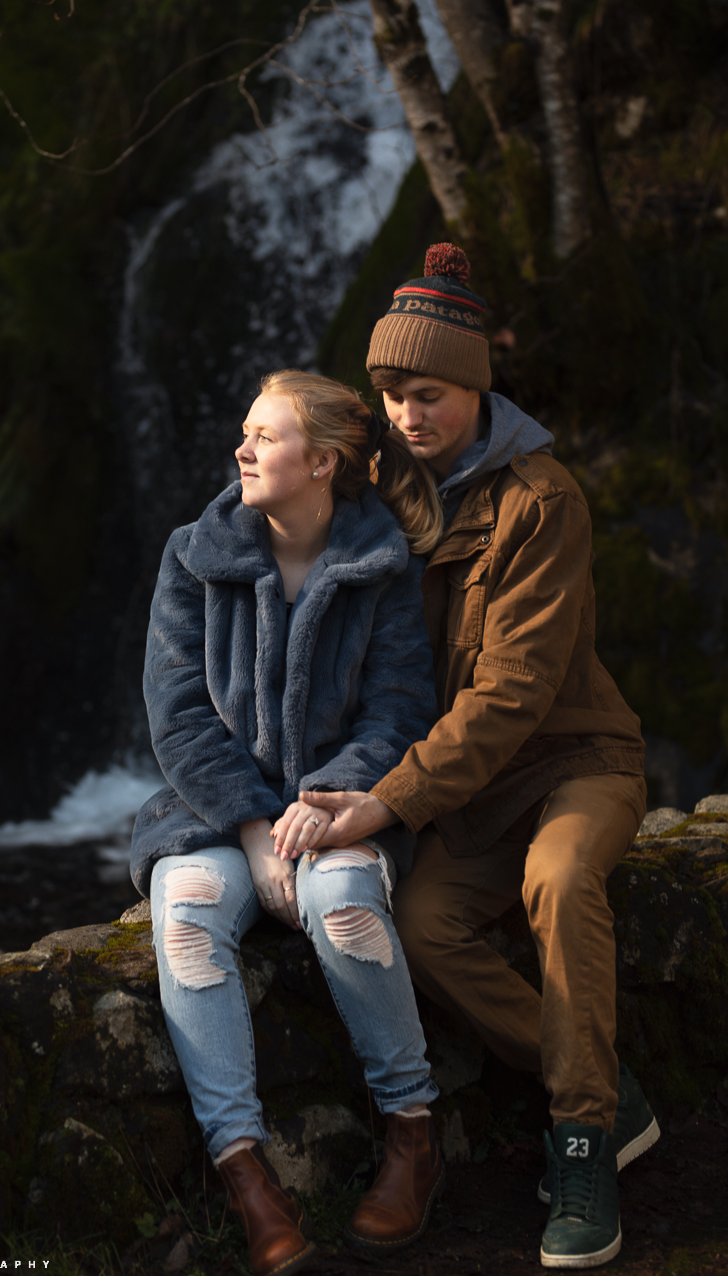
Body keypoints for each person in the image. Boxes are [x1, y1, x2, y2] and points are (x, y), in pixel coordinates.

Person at [282, 246, 659, 1270]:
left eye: (431, 394)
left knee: (563, 876)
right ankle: (613, 1094)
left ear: (476, 388)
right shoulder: (380, 486)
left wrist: (383, 804)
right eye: (395, 394)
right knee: (422, 921)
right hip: (476, 789)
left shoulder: (544, 501)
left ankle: (579, 1141)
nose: (409, 414)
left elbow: (511, 697)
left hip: (575, 759)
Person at [130, 370, 448, 1276]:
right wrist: (250, 831)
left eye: (263, 437)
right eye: (244, 433)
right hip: (213, 816)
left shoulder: (381, 564)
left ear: (324, 463)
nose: (242, 450)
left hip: (339, 807)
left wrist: (323, 806)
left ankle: (412, 1133)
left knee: (346, 898)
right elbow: (178, 716)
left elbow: (396, 711)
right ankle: (246, 1174)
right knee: (187, 914)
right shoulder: (194, 554)